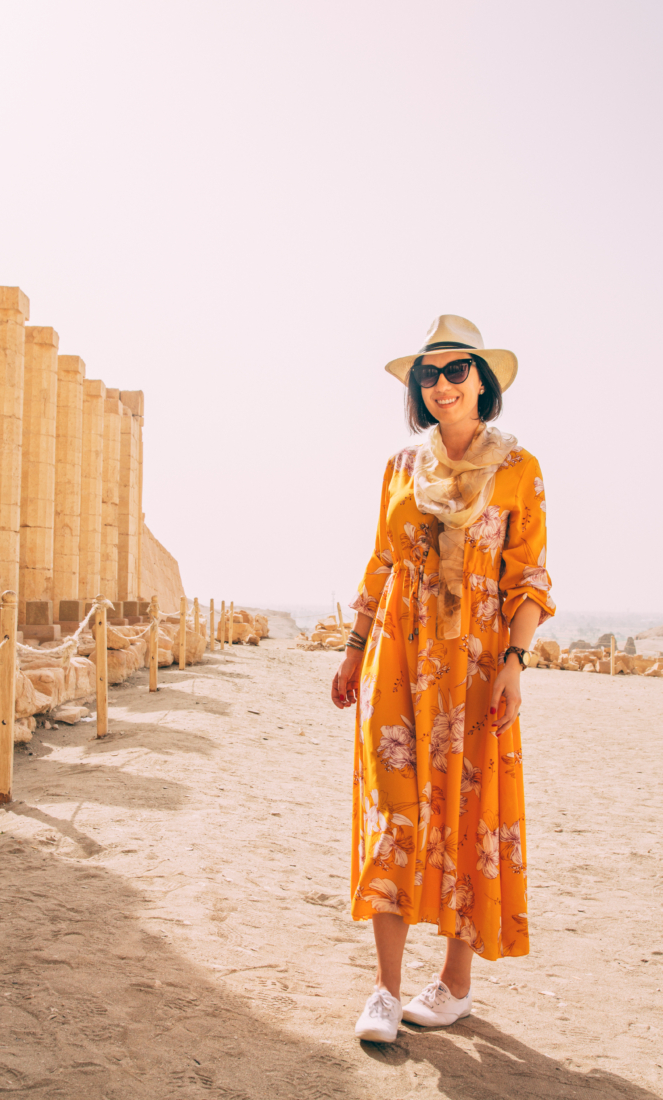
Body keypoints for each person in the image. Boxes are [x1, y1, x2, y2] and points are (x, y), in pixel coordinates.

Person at [332, 315, 554, 1043]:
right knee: (391, 816)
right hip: (397, 655)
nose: (441, 385)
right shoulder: (400, 467)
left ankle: (454, 984)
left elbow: (528, 579)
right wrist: (351, 648)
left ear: (482, 383)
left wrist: (514, 665)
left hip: (477, 663)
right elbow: (380, 564)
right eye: (428, 375)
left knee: (469, 814)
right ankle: (384, 993)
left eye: (456, 371)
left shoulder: (518, 469)